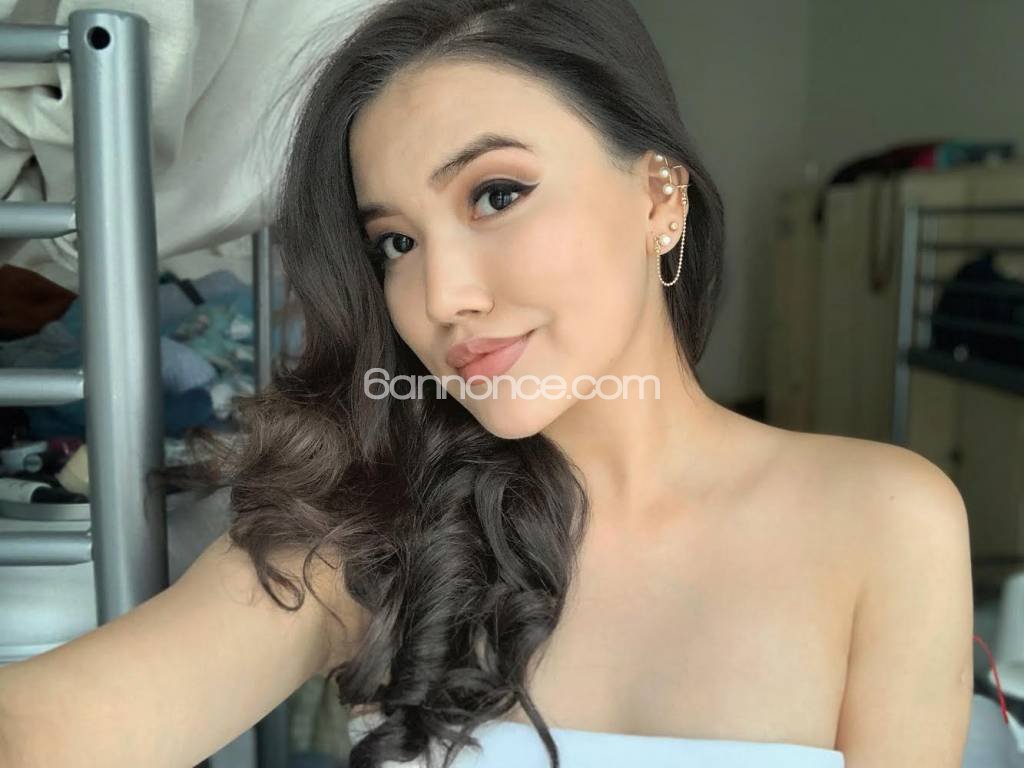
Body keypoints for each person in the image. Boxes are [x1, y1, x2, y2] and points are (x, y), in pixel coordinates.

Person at [0, 1, 975, 767]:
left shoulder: (884, 521)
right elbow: (46, 732)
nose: (441, 296)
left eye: (496, 194)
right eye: (395, 243)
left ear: (659, 195)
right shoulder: (369, 523)